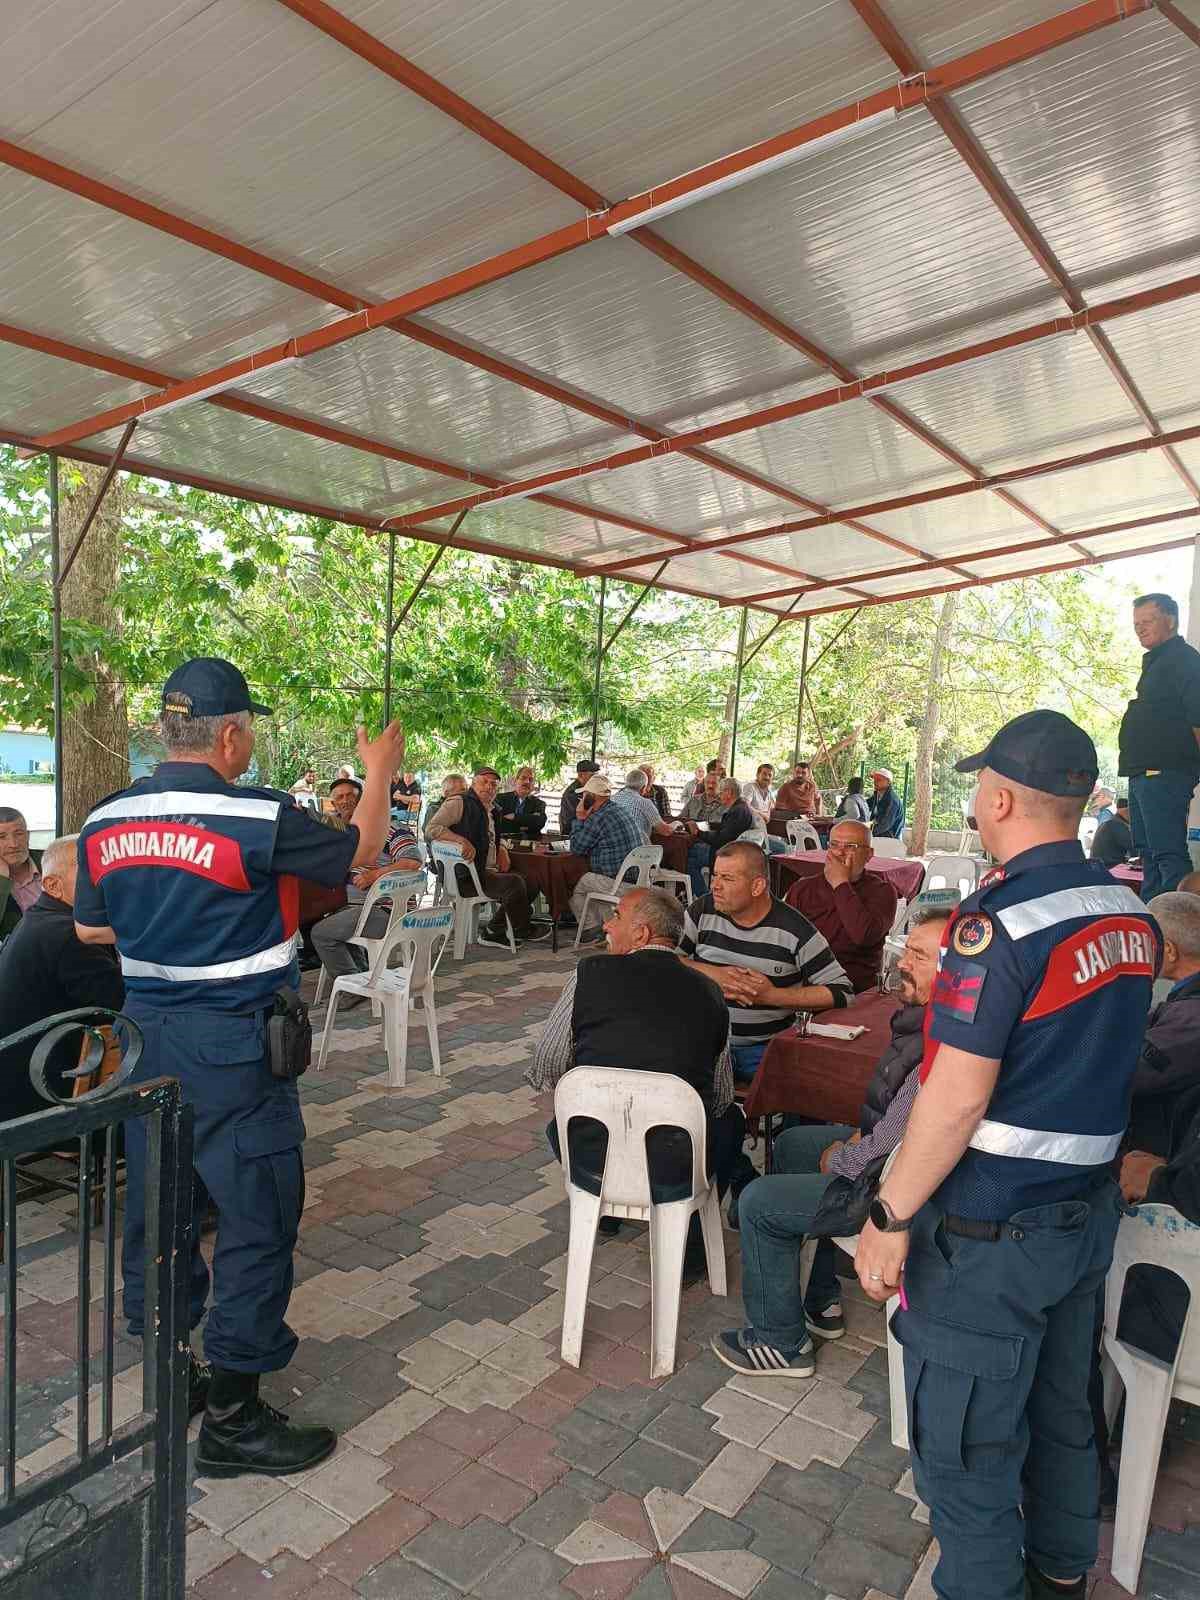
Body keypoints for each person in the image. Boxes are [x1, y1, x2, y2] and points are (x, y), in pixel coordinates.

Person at [853, 708, 1162, 1600]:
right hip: (1084, 1216)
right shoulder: (1128, 911)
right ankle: (1064, 1568)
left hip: (991, 1232)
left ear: (997, 796)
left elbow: (953, 1099)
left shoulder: (998, 924)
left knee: (967, 1451)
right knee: (1063, 1407)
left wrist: (888, 1214)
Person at [73, 656, 405, 1478]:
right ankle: (233, 1418)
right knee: (257, 1223)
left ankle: (173, 1376)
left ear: (162, 729)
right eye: (247, 729)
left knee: (158, 1215)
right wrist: (379, 772)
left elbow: (89, 929)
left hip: (145, 1044)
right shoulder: (254, 815)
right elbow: (360, 848)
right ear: (228, 734)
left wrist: (169, 932)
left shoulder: (106, 817)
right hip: (234, 1050)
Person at [713, 906, 951, 1377]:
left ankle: (780, 1342)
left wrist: (845, 1155)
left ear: (956, 971)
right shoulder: (927, 1019)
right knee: (795, 1143)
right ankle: (819, 1295)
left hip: (898, 1189)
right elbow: (895, 1119)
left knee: (761, 1201)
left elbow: (904, 1137)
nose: (904, 962)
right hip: (891, 1158)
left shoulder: (949, 1039)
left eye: (920, 956)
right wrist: (858, 1141)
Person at [526, 887, 755, 1270]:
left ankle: (607, 1205)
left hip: (593, 1152)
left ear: (642, 934)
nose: (607, 924)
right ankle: (689, 1236)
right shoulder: (711, 994)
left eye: (616, 916)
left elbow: (548, 1063)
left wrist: (596, 1086)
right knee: (729, 1120)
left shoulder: (588, 975)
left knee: (561, 1123)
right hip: (677, 1163)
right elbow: (718, 1096)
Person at [680, 840, 852, 1083]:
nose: (715, 886)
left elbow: (842, 993)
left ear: (757, 886)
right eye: (715, 875)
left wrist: (770, 996)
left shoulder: (795, 930)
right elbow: (665, 958)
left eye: (727, 879)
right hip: (704, 1045)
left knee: (809, 1083)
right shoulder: (702, 911)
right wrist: (712, 973)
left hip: (764, 1050)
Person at [0, 835, 125, 1124]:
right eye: (88, 868)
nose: (104, 876)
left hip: (24, 1089)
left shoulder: (41, 920)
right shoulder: (68, 934)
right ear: (53, 886)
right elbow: (124, 1006)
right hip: (43, 1105)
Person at [1118, 592, 1200, 900]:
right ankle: (1156, 924)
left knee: (1168, 854)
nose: (1140, 628)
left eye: (1147, 621)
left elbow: (1198, 717)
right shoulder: (1156, 662)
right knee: (1148, 855)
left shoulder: (1184, 660)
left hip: (1165, 771)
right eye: (1136, 623)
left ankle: (1183, 929)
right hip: (1142, 773)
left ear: (1171, 620)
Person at [310, 808, 424, 1003]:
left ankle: (353, 988)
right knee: (313, 918)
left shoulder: (393, 829)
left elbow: (412, 862)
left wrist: (374, 876)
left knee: (321, 933)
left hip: (386, 911)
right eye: (340, 798)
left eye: (351, 796)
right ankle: (361, 975)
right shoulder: (341, 831)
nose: (346, 802)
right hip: (352, 907)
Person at [425, 766, 547, 947]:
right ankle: (522, 929)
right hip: (468, 876)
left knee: (532, 880)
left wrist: (503, 848)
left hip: (486, 870)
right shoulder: (460, 802)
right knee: (514, 883)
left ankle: (494, 929)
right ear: (473, 783)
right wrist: (460, 840)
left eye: (493, 784)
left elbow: (495, 836)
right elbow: (431, 829)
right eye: (484, 782)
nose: (489, 787)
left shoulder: (492, 809)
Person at [1124, 891, 1200, 1156]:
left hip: (1165, 1155)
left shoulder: (1191, 1018)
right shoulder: (1185, 1004)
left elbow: (1125, 1074)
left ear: (1168, 950)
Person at [784, 819, 898, 992]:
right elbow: (784, 939)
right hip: (805, 984)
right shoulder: (803, 888)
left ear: (869, 854)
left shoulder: (882, 891)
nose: (839, 853)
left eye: (850, 846)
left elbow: (863, 936)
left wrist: (840, 883)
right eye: (834, 845)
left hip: (855, 988)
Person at [567, 774, 645, 940]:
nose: (582, 799)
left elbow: (577, 848)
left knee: (579, 883)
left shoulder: (597, 818)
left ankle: (590, 929)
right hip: (637, 878)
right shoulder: (619, 809)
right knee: (594, 881)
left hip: (619, 882)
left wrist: (579, 818)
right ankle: (605, 929)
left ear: (591, 797)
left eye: (584, 795)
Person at [685, 778, 756, 898]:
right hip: (733, 850)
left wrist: (698, 833)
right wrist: (705, 827)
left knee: (687, 859)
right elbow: (726, 829)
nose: (719, 795)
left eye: (721, 792)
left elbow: (721, 839)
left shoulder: (737, 811)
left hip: (725, 854)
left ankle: (706, 898)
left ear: (729, 793)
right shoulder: (741, 807)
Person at [0, 807, 43, 941]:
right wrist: (2, 880)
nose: (13, 844)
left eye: (18, 833)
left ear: (28, 836)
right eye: (1, 837)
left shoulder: (52, 861)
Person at [613, 768, 674, 843]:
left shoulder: (613, 798)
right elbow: (666, 831)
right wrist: (676, 824)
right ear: (643, 788)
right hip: (638, 850)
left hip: (616, 845)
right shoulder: (644, 802)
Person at [496, 767, 547, 839]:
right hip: (504, 844)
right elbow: (498, 822)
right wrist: (528, 821)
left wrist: (515, 817)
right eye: (523, 778)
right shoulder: (500, 799)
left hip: (529, 845)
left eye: (531, 780)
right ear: (515, 780)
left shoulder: (539, 804)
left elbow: (539, 822)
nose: (527, 782)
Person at [559, 759, 601, 834]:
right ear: (580, 775)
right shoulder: (572, 793)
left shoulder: (590, 788)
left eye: (596, 775)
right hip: (572, 833)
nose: (596, 779)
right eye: (592, 776)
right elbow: (580, 816)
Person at [1089, 796, 1132, 868]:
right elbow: (1134, 848)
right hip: (1109, 867)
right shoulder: (1117, 825)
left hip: (1101, 865)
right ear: (1126, 811)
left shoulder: (1111, 823)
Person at [868, 769, 904, 839]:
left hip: (890, 840)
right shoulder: (878, 794)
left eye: (879, 780)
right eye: (874, 780)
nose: (875, 782)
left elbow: (885, 825)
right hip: (880, 836)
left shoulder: (892, 800)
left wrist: (866, 832)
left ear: (888, 782)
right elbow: (865, 805)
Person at [741, 763, 777, 828]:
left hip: (761, 827)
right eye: (764, 774)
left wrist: (767, 814)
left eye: (770, 775)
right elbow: (745, 805)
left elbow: (772, 806)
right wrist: (761, 815)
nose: (767, 777)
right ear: (757, 775)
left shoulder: (770, 791)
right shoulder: (750, 787)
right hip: (748, 827)